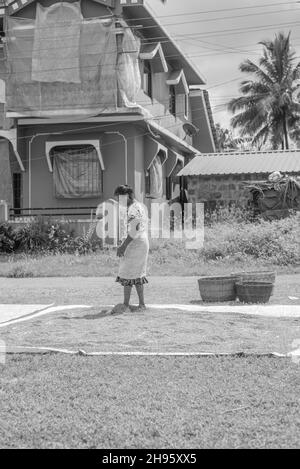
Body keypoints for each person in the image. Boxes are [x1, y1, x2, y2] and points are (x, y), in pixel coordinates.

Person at [114, 185, 149, 312]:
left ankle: (126, 304)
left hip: (136, 243)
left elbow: (135, 229)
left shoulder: (134, 208)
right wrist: (123, 240)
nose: (118, 201)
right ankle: (141, 304)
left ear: (127, 196)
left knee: (127, 272)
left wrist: (123, 246)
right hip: (140, 241)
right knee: (137, 273)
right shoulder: (136, 206)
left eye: (119, 198)